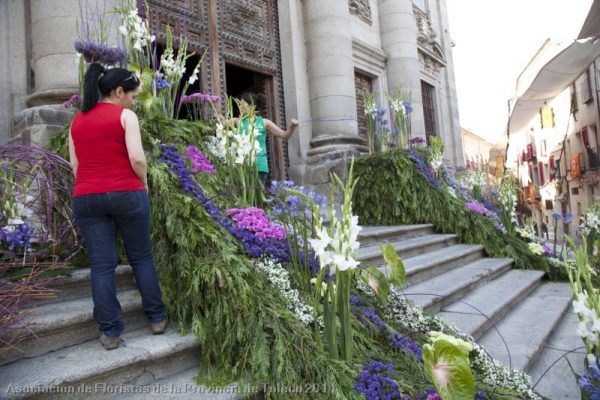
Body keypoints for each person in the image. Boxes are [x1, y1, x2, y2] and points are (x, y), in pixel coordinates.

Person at [69, 63, 167, 350]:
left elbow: (75, 165)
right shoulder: (126, 116)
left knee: (101, 267)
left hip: (86, 197)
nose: (135, 100)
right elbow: (137, 158)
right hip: (126, 192)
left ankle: (110, 332)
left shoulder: (76, 121)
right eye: (133, 95)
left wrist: (92, 187)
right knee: (141, 258)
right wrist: (145, 184)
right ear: (118, 91)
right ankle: (157, 318)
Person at [233, 92, 299, 183]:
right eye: (239, 105)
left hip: (260, 166)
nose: (240, 107)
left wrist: (292, 126)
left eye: (242, 105)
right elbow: (223, 123)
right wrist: (220, 118)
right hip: (243, 166)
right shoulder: (237, 121)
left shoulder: (264, 122)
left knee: (257, 194)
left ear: (252, 106)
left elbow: (284, 135)